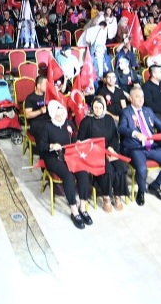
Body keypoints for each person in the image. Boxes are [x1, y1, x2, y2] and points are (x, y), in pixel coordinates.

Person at [119, 85, 161, 204]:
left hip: (151, 145)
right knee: (142, 169)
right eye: (137, 97)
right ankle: (141, 191)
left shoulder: (148, 110)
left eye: (142, 97)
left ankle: (156, 185)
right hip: (135, 147)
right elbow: (121, 128)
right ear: (131, 99)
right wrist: (135, 133)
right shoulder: (125, 112)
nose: (141, 99)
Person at [38, 100, 94, 228]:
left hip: (69, 155)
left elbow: (74, 140)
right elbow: (41, 145)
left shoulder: (69, 124)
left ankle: (82, 207)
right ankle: (74, 211)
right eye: (57, 115)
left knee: (83, 173)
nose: (60, 117)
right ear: (52, 115)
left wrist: (78, 143)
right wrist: (51, 145)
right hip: (53, 157)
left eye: (62, 114)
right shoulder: (47, 127)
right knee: (68, 176)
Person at [77, 96, 127, 211]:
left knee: (120, 167)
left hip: (109, 150)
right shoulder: (86, 121)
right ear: (92, 108)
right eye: (96, 107)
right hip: (95, 153)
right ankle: (106, 197)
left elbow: (115, 137)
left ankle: (117, 195)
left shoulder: (109, 120)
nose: (98, 110)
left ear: (104, 108)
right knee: (108, 170)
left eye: (100, 107)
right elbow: (81, 140)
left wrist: (111, 148)